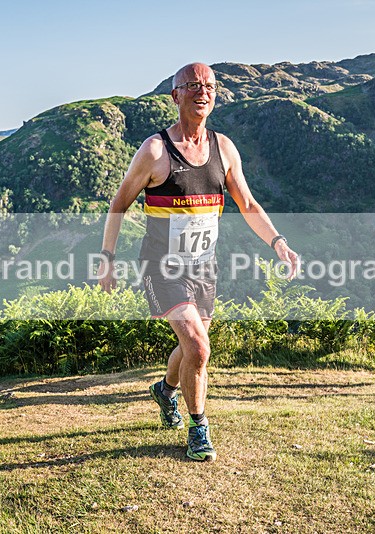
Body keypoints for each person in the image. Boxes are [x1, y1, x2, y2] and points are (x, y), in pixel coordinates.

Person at [97, 63, 300, 461]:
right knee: (198, 346)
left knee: (193, 348)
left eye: (209, 86)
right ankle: (199, 427)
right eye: (192, 86)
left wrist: (278, 241)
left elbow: (248, 203)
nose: (202, 92)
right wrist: (107, 257)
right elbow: (119, 203)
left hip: (204, 267)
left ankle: (166, 390)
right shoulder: (155, 151)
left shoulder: (223, 148)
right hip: (162, 266)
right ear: (176, 96)